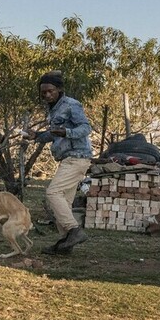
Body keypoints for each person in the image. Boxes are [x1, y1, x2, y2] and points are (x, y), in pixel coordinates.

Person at [24, 71, 93, 255]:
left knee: (53, 193)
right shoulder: (53, 109)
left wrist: (66, 133)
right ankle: (65, 245)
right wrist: (37, 136)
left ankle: (74, 231)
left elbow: (86, 128)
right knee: (65, 202)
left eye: (50, 91)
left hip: (77, 157)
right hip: (68, 158)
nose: (46, 95)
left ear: (59, 90)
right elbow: (54, 133)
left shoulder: (71, 105)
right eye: (43, 92)